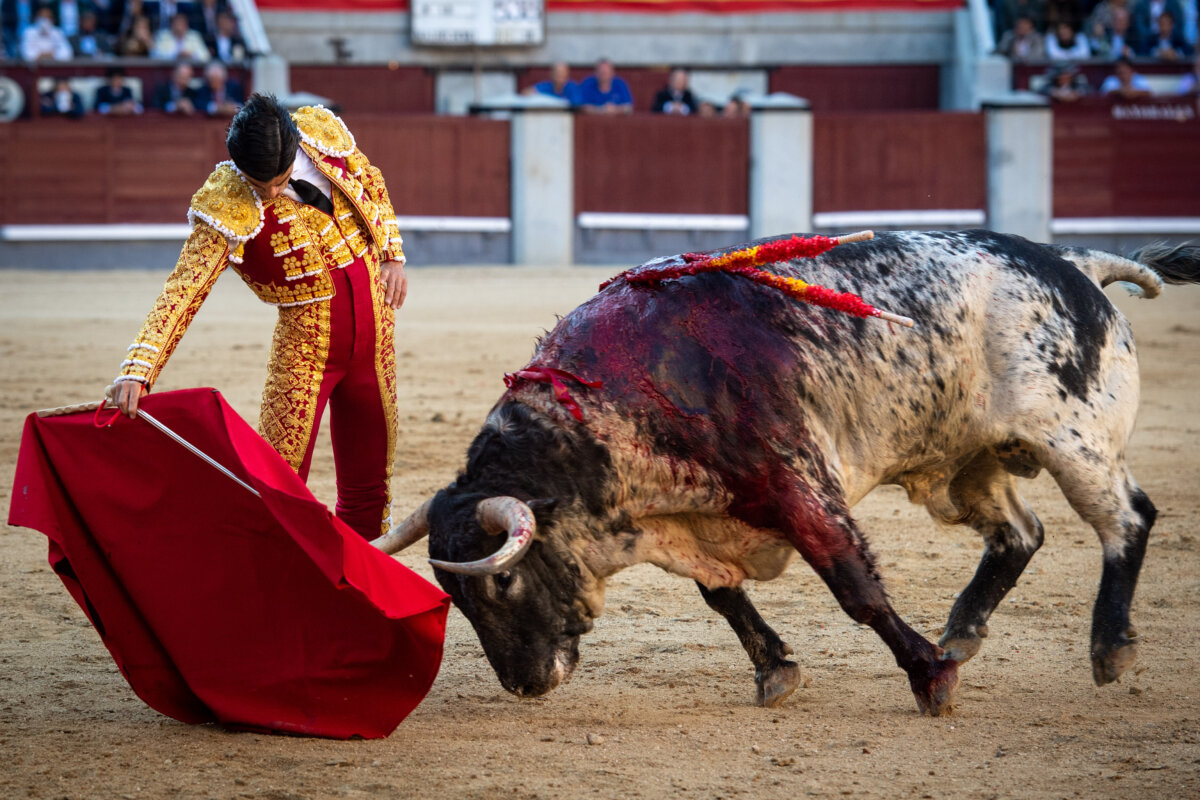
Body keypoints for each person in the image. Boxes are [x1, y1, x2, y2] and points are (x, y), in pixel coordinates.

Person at [107, 94, 409, 541]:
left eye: (280, 180)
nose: (269, 192)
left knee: (370, 489)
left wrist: (392, 253)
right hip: (306, 351)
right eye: (258, 183)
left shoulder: (323, 135)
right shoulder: (227, 198)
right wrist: (139, 368)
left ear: (294, 150)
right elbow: (185, 288)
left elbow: (372, 181)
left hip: (376, 342)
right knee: (277, 488)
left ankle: (358, 596)